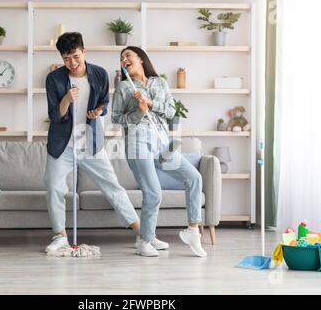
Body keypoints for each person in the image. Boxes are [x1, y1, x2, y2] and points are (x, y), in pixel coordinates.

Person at [43, 33, 168, 253]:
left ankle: (144, 236)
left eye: (75, 56)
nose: (72, 63)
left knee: (113, 187)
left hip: (90, 141)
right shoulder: (54, 79)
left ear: (84, 51)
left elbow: (105, 103)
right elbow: (55, 115)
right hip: (61, 145)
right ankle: (60, 237)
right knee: (53, 187)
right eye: (66, 59)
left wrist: (99, 111)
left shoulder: (99, 74)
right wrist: (66, 99)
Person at [112, 46, 207, 257]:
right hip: (138, 143)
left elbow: (172, 110)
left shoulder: (160, 82)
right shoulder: (124, 88)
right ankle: (144, 241)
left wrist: (150, 103)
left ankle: (193, 231)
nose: (123, 59)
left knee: (194, 178)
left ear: (141, 59)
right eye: (121, 58)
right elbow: (116, 118)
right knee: (154, 193)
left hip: (163, 142)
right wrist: (138, 111)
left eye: (128, 55)